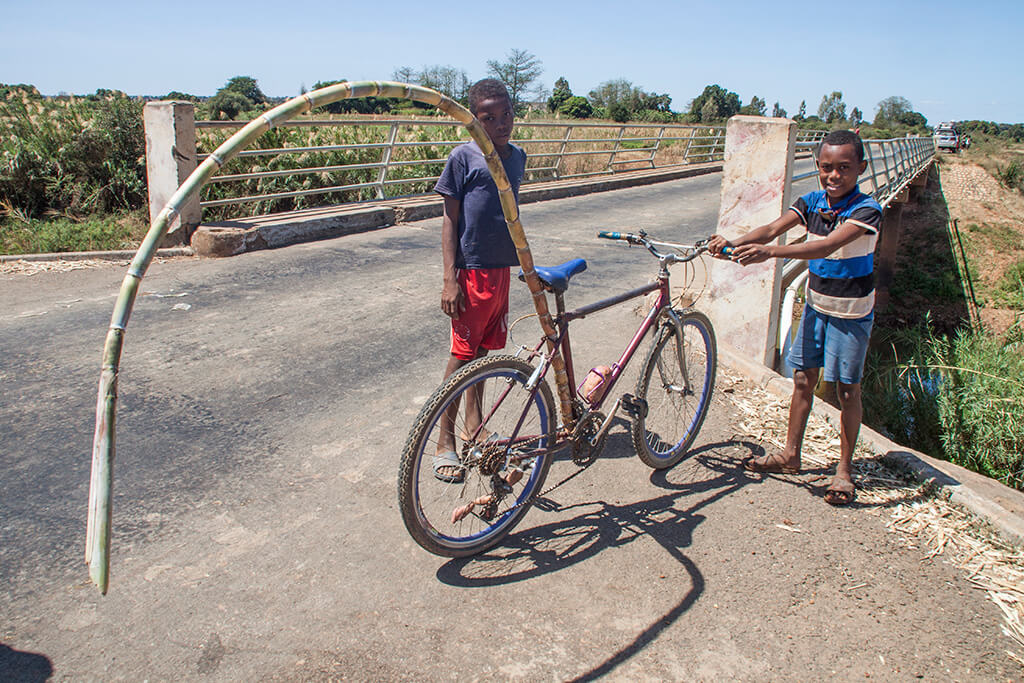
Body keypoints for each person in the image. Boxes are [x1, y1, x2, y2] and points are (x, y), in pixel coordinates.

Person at [709, 129, 882, 506]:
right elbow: (772, 228)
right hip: (818, 306)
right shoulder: (812, 201)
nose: (833, 176)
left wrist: (770, 254)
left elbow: (827, 244)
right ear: (817, 167)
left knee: (848, 390)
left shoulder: (867, 210)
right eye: (825, 168)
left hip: (851, 315)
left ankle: (844, 471)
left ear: (861, 169)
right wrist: (731, 244)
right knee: (802, 379)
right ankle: (790, 455)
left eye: (843, 168)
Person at [431, 79, 527, 483]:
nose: (500, 124)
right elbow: (451, 221)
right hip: (471, 274)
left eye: (506, 115)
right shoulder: (463, 158)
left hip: (500, 270)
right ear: (474, 120)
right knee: (461, 356)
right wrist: (450, 279)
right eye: (488, 118)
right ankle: (443, 441)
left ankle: (475, 428)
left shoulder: (517, 157)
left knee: (484, 354)